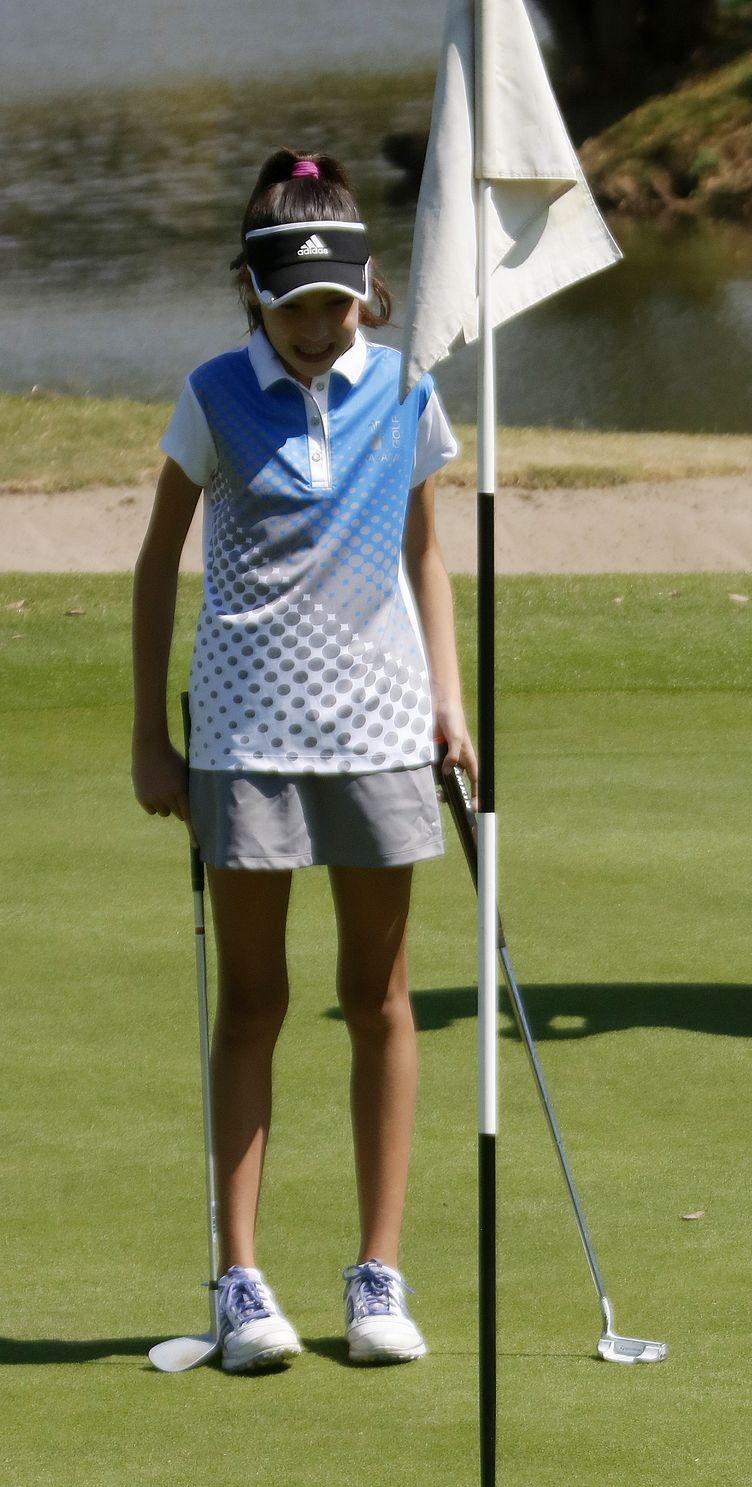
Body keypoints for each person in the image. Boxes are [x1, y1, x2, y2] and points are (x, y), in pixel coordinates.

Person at [131, 149, 476, 1372]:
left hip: (381, 730)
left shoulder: (405, 389)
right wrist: (150, 737)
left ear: (368, 291)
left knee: (380, 999)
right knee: (254, 1002)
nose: (320, 330)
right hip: (244, 741)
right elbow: (155, 565)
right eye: (295, 310)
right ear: (253, 295)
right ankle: (240, 1281)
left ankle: (377, 1277)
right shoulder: (213, 393)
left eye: (337, 306)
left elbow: (424, 555)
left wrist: (449, 701)